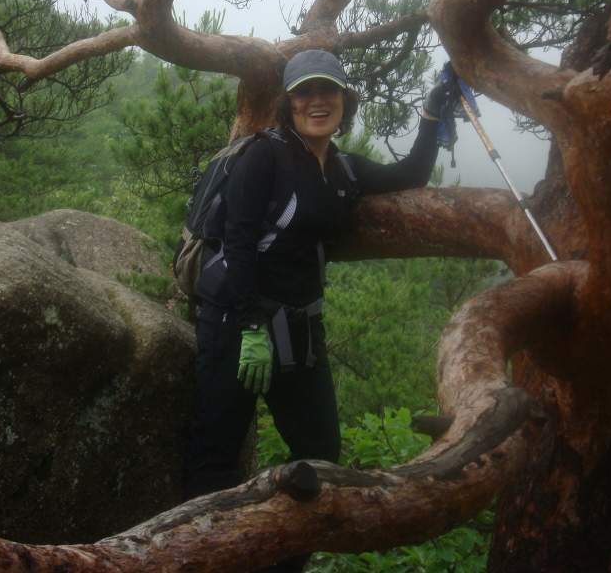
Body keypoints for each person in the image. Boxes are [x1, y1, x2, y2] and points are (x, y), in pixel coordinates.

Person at [182, 50, 445, 524]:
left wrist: (432, 113)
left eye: (328, 90)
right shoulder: (265, 155)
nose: (317, 101)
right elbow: (239, 242)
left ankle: (280, 555)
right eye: (305, 92)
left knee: (321, 452)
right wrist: (251, 326)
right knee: (213, 456)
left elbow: (409, 175)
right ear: (289, 101)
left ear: (345, 99)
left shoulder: (343, 168)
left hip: (301, 326)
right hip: (237, 325)